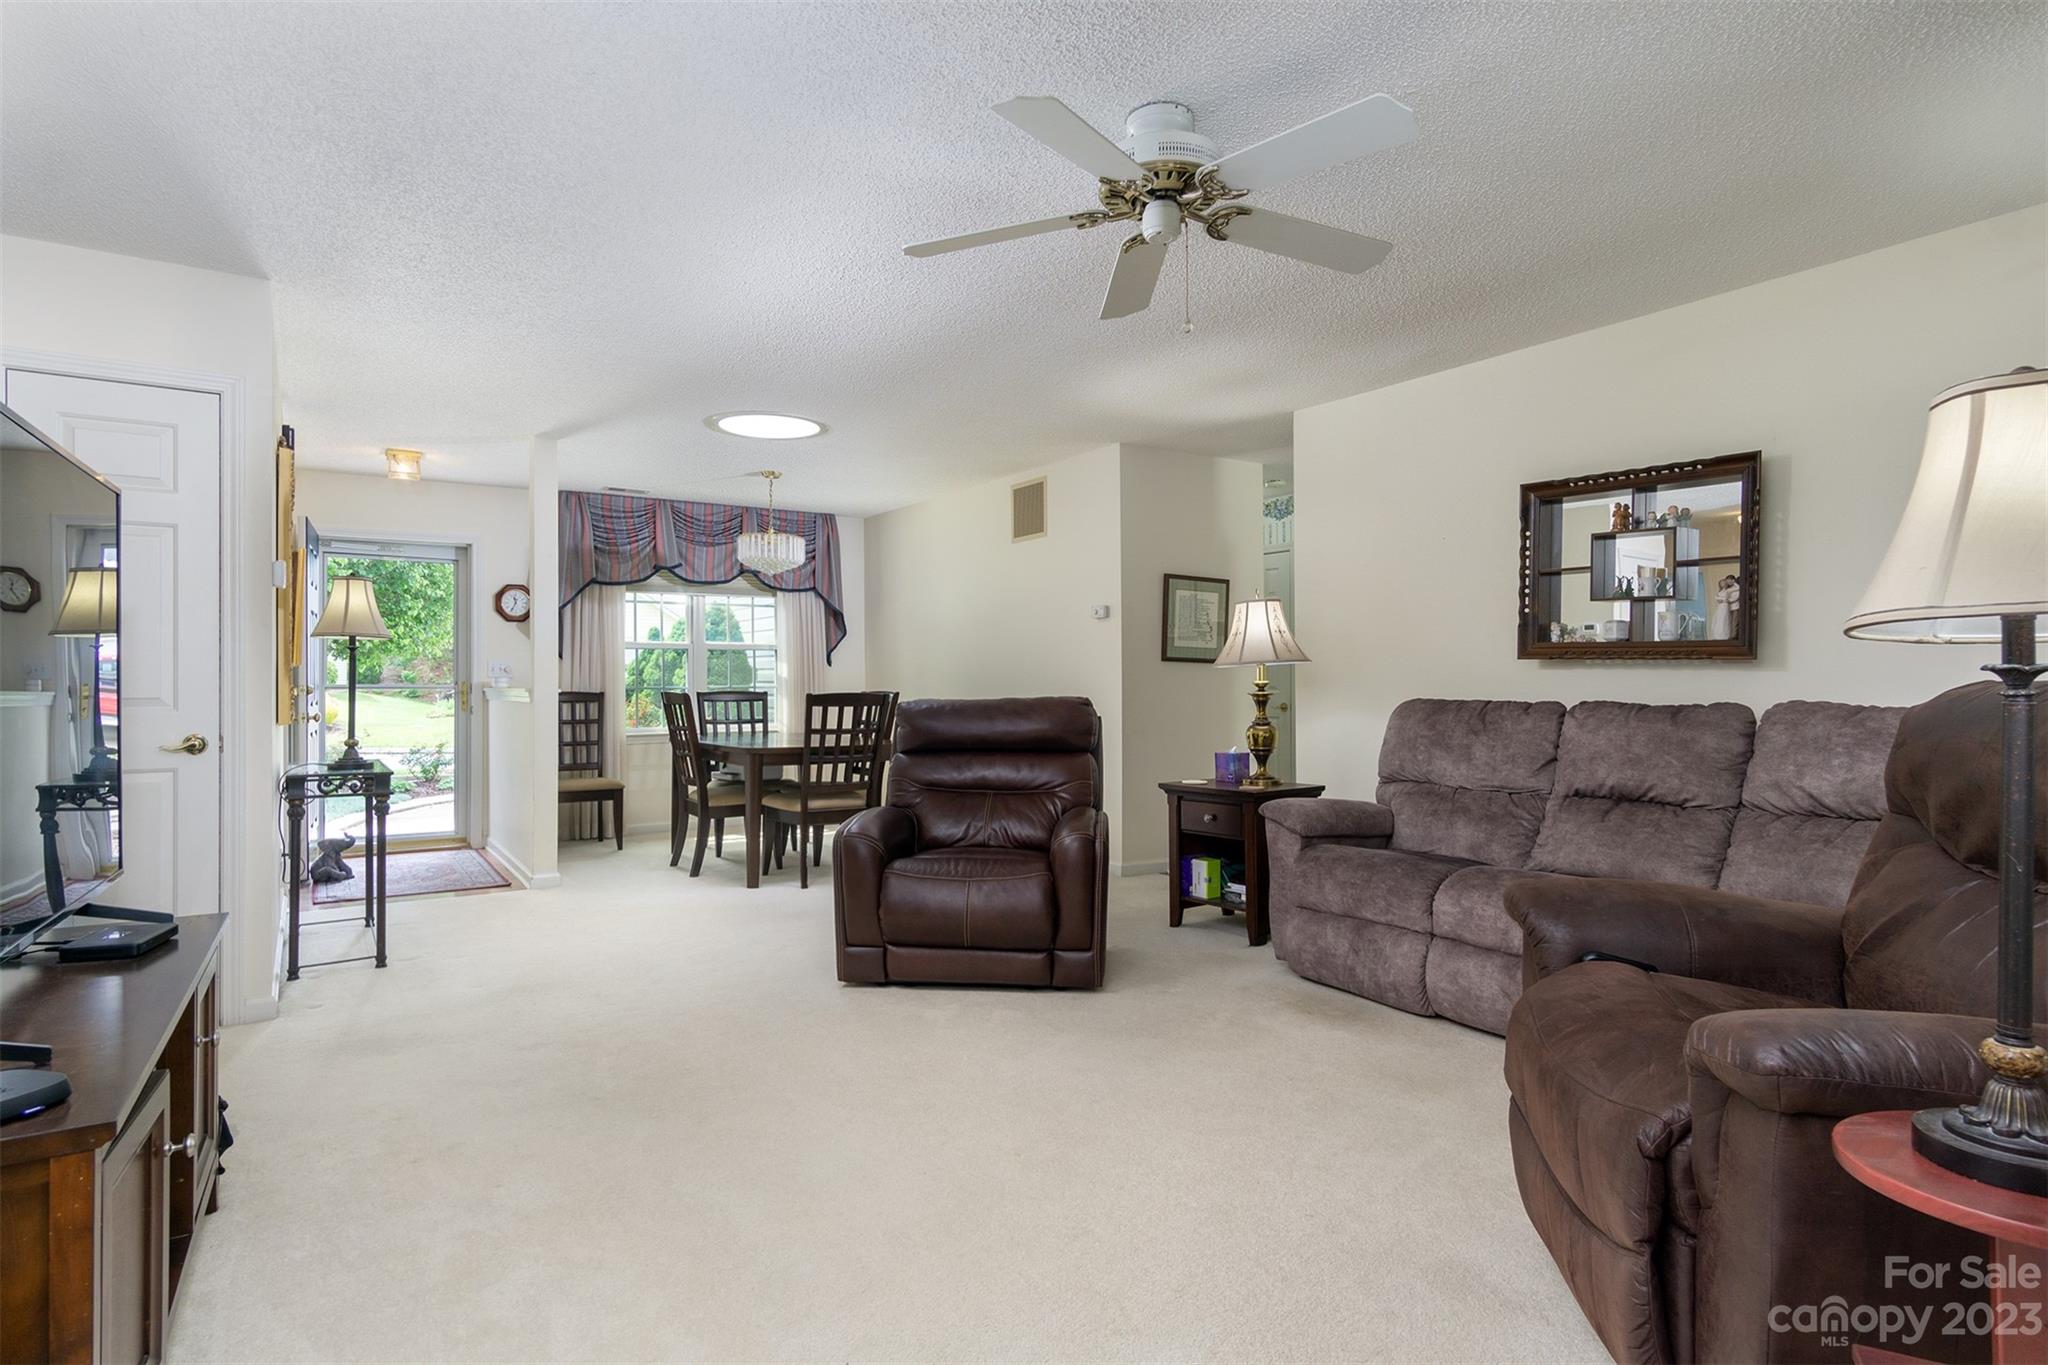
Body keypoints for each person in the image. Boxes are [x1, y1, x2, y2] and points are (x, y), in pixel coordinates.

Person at [1710, 574, 1740, 640]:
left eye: (1730, 580)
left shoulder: (1732, 588)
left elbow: (1735, 595)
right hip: (1723, 606)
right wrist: (1722, 600)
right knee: (1721, 619)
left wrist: (1726, 601)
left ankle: (1732, 635)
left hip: (1729, 606)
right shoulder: (1723, 590)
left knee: (1730, 620)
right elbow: (1717, 597)